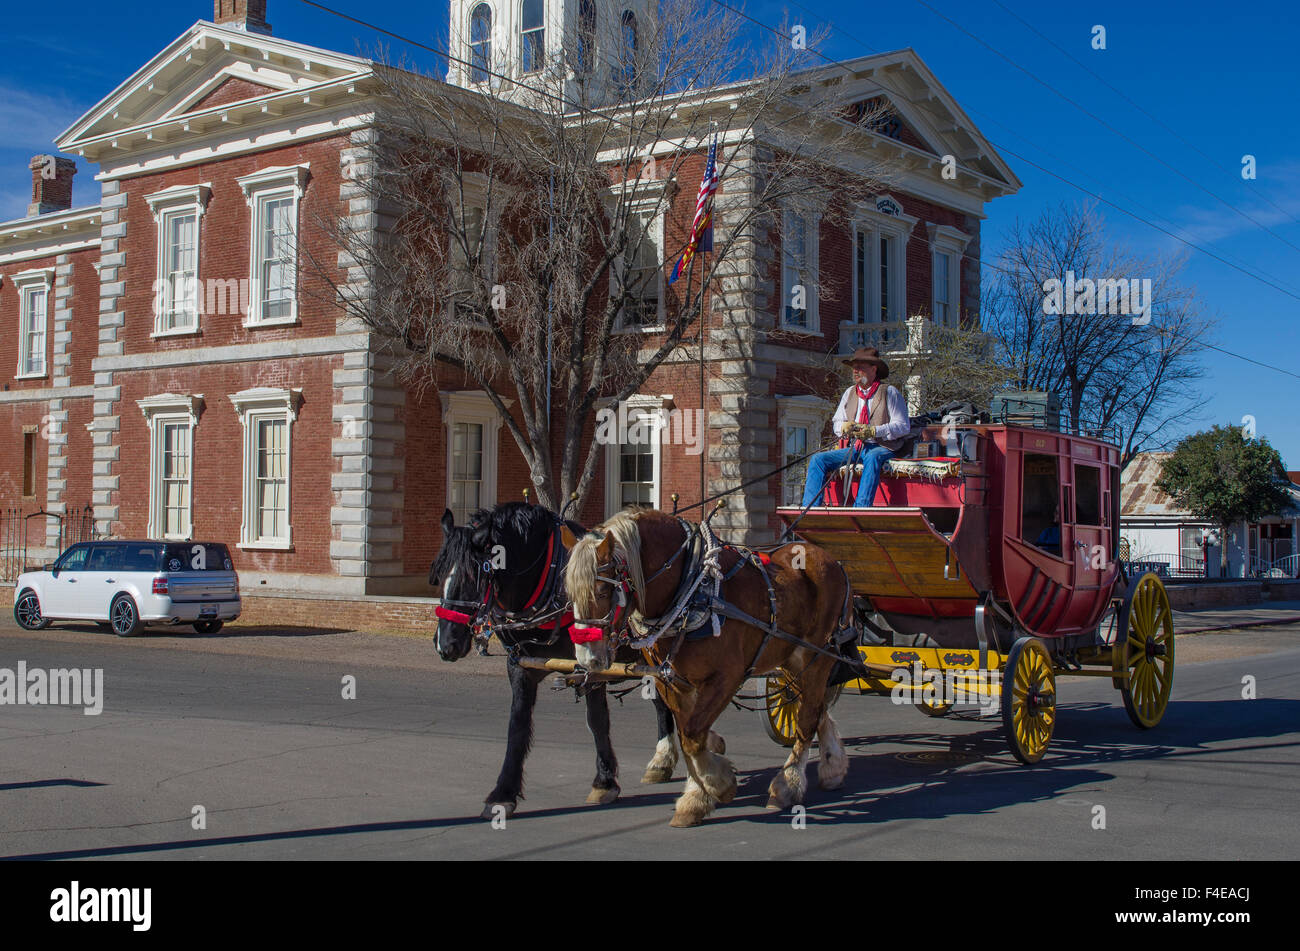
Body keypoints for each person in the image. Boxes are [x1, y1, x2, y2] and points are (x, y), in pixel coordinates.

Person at [800, 347, 911, 508]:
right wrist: (844, 427)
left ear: (874, 370)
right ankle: (809, 507)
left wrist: (874, 431)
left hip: (883, 446)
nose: (855, 371)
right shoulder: (849, 393)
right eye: (854, 368)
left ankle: (861, 507)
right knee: (818, 459)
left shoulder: (889, 392)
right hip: (857, 447)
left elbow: (903, 426)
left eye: (860, 367)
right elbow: (837, 422)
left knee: (872, 457)